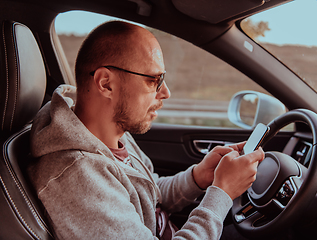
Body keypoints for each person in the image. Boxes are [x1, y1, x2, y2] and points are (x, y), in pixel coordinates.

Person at [28, 21, 264, 240]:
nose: (165, 92)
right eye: (154, 80)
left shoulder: (113, 133)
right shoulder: (77, 180)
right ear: (106, 84)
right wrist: (222, 192)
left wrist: (199, 177)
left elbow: (149, 192)